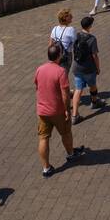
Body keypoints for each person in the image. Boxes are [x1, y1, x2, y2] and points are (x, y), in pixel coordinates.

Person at [35, 43, 82, 176]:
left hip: (42, 111)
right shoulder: (61, 71)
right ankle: (70, 154)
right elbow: (65, 94)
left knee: (43, 138)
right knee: (66, 133)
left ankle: (46, 168)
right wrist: (67, 109)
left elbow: (37, 87)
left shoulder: (40, 69)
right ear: (59, 55)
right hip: (57, 110)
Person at [70, 15, 104, 120]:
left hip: (76, 67)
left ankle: (75, 115)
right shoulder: (92, 39)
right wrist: (98, 68)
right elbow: (95, 56)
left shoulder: (76, 36)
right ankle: (94, 101)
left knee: (78, 90)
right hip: (88, 68)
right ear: (90, 26)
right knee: (92, 85)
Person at [49, 8, 77, 72]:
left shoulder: (55, 28)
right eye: (70, 16)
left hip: (55, 56)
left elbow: (50, 45)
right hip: (66, 56)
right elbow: (76, 43)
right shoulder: (71, 29)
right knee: (63, 75)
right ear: (65, 18)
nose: (72, 17)